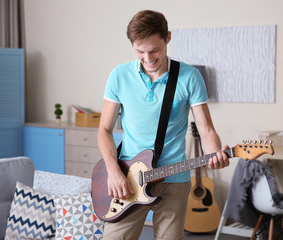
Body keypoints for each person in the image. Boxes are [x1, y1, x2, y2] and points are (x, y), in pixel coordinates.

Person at [97, 9, 230, 240]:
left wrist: (215, 154)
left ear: (167, 37)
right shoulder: (119, 75)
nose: (148, 59)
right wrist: (113, 171)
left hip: (173, 180)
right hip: (129, 179)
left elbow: (206, 129)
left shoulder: (189, 77)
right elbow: (104, 130)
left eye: (155, 50)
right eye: (140, 51)